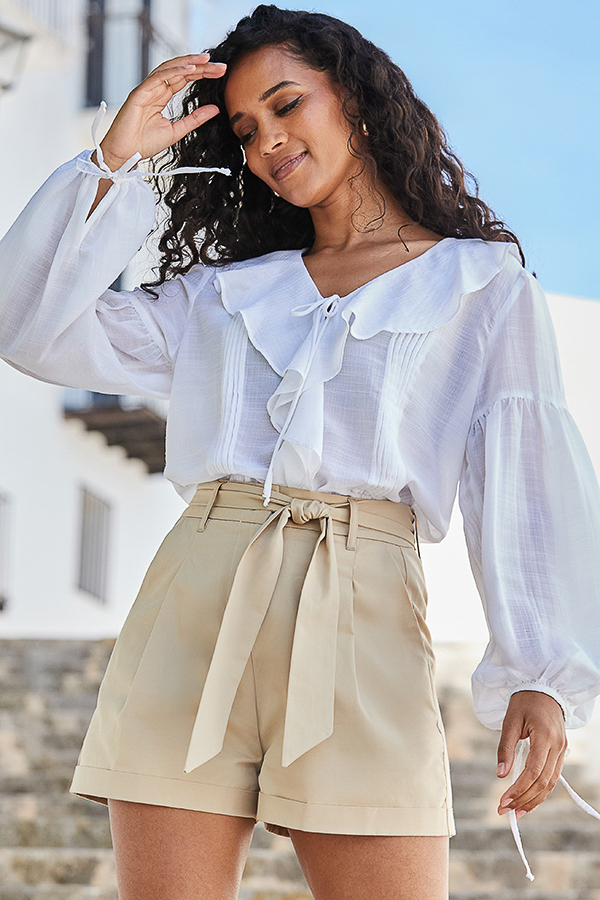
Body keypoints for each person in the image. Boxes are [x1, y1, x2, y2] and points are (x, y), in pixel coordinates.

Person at [1, 5, 599, 898]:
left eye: (286, 105)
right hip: (197, 602)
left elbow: (525, 479)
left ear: (355, 99)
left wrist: (542, 672)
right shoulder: (222, 297)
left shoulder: (479, 285)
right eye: (246, 130)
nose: (269, 141)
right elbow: (25, 324)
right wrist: (114, 158)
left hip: (364, 616)